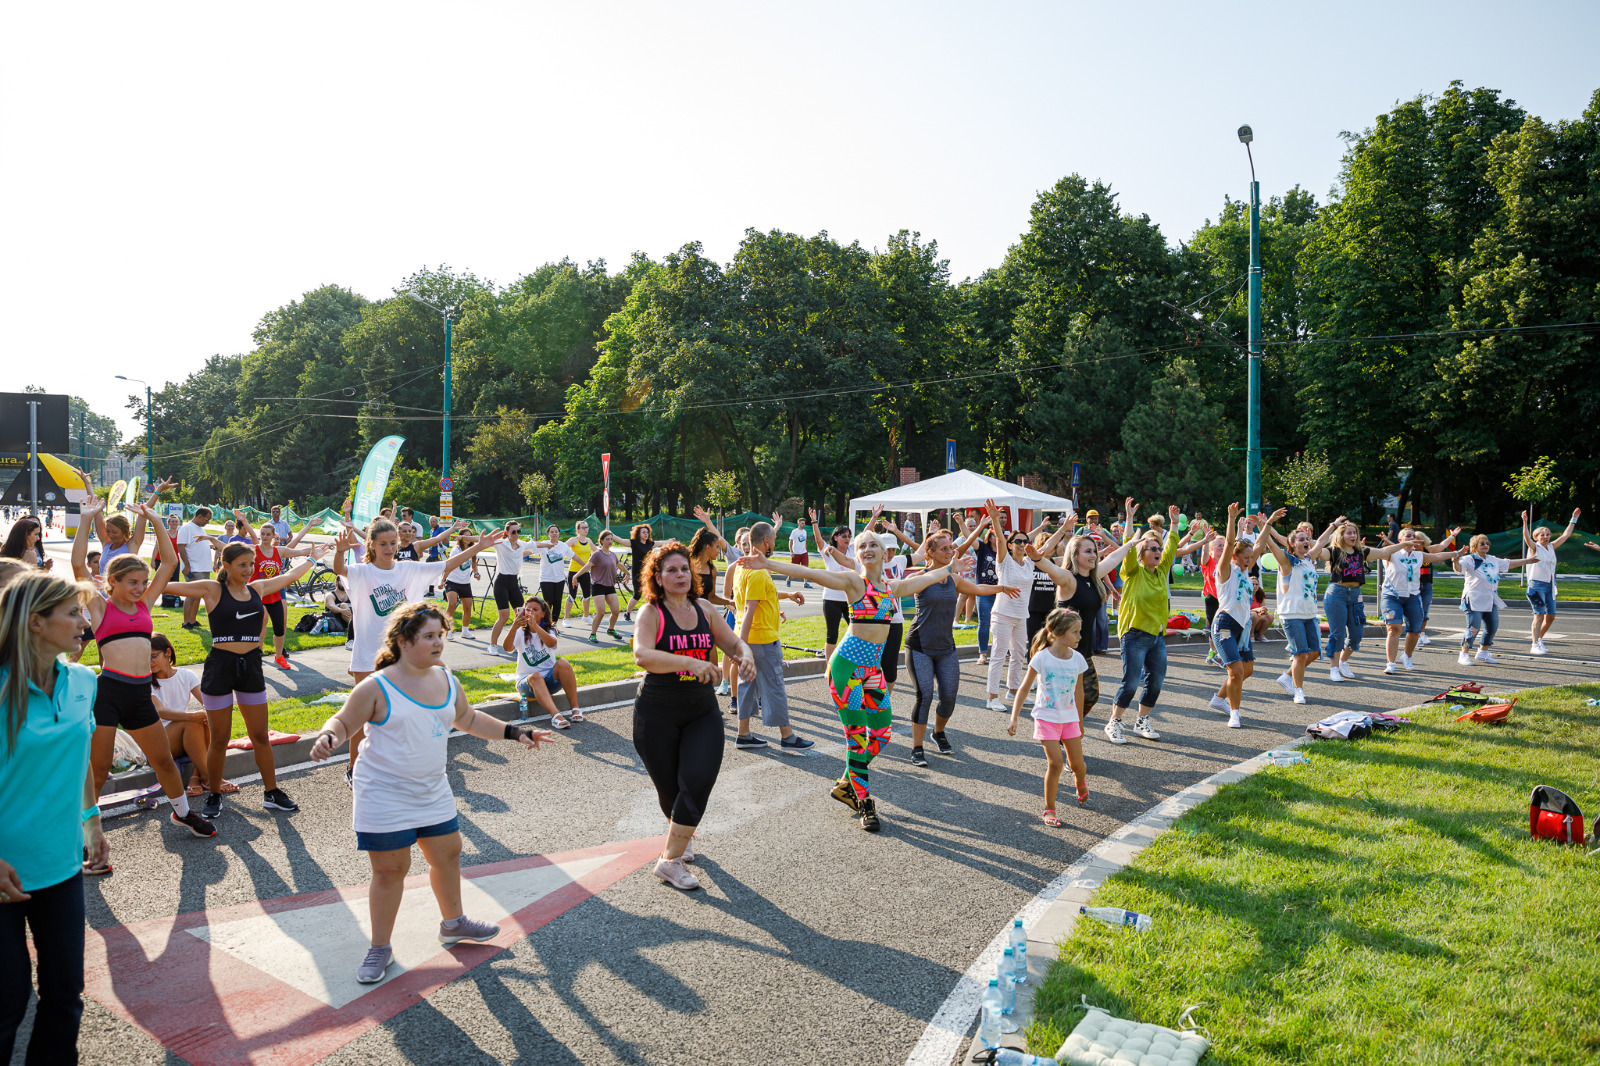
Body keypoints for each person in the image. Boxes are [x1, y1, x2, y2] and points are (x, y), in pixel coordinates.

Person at [308, 602, 558, 984]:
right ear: (403, 642)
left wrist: (514, 731)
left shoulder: (445, 679)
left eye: (441, 634)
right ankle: (380, 948)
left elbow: (469, 719)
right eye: (428, 636)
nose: (438, 642)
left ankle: (453, 923)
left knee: (448, 854)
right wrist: (329, 736)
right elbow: (344, 721)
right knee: (391, 871)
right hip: (383, 793)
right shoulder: (377, 685)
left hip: (432, 788)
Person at [736, 524, 956, 833]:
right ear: (856, 554)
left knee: (881, 736)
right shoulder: (854, 583)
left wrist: (948, 568)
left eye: (872, 545)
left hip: (872, 672)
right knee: (858, 738)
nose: (867, 550)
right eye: (861, 546)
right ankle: (865, 802)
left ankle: (845, 783)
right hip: (846, 670)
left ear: (883, 553)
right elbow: (813, 575)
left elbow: (926, 578)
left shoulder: (891, 588)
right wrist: (768, 564)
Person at [0, 569, 107, 1063]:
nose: (84, 621)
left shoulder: (84, 682)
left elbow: (80, 754)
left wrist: (93, 819)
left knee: (65, 997)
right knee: (6, 1003)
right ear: (36, 623)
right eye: (73, 612)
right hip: (4, 871)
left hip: (60, 866)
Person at [69, 499, 216, 841]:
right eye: (133, 582)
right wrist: (88, 518)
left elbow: (170, 561)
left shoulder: (145, 605)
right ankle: (84, 831)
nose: (140, 588)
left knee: (163, 761)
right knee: (99, 770)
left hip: (139, 694)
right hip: (108, 692)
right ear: (113, 582)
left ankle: (182, 814)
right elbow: (78, 565)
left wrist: (153, 520)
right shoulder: (100, 607)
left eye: (143, 582)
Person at [167, 536, 329, 821]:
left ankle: (272, 792)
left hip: (251, 667)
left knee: (260, 737)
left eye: (251, 564)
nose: (248, 569)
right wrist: (129, 580)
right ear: (226, 565)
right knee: (219, 739)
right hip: (220, 667)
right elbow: (167, 585)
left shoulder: (259, 588)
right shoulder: (211, 589)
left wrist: (314, 558)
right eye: (242, 565)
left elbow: (291, 575)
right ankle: (214, 793)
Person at [632, 541, 757, 887]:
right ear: (657, 577)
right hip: (657, 714)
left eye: (684, 568)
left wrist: (744, 655)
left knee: (698, 781)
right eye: (671, 570)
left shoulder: (704, 609)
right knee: (671, 792)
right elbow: (642, 655)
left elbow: (732, 642)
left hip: (701, 711)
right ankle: (680, 840)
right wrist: (690, 662)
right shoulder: (651, 613)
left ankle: (669, 860)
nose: (680, 575)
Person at [333, 519, 492, 780]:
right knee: (364, 719)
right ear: (371, 545)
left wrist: (479, 547)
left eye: (393, 543)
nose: (389, 548)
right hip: (367, 657)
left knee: (402, 716)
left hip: (401, 658)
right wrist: (339, 551)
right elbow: (340, 569)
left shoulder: (407, 569)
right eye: (383, 544)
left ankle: (396, 769)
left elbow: (446, 565)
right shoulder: (363, 573)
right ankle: (354, 769)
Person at [904, 517, 1019, 765]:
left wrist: (1001, 588)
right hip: (920, 646)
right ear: (930, 552)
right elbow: (908, 584)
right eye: (944, 549)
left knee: (949, 696)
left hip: (945, 647)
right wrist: (950, 566)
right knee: (925, 696)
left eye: (950, 548)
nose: (950, 552)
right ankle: (916, 747)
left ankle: (938, 732)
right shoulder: (923, 577)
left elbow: (977, 589)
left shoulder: (954, 580)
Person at [1051, 498, 1139, 724]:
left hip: (1083, 652)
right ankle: (1062, 734)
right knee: (1069, 699)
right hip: (1064, 653)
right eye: (1088, 551)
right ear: (1075, 555)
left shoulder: (1093, 576)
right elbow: (1049, 567)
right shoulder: (1068, 579)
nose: (1094, 554)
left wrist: (1130, 544)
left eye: (1095, 551)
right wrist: (1035, 556)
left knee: (1089, 697)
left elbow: (1113, 558)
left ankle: (1065, 730)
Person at [729, 522, 813, 752]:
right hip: (761, 641)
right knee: (775, 685)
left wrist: (786, 596)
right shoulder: (756, 571)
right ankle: (787, 736)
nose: (775, 543)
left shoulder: (743, 566)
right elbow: (749, 608)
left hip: (749, 639)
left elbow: (765, 595)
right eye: (773, 539)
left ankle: (743, 734)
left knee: (747, 686)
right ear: (766, 542)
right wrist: (743, 647)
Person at [1107, 504, 1182, 744]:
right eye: (1151, 548)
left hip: (1157, 637)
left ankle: (1142, 721)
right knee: (1130, 682)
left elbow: (1171, 546)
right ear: (1141, 554)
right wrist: (1129, 518)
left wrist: (1174, 523)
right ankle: (1114, 723)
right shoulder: (1132, 571)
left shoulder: (1160, 572)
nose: (1158, 551)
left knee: (1156, 682)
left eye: (1158, 548)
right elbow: (1128, 543)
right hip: (1134, 635)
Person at [1008, 607, 1090, 824]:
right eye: (1075, 632)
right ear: (1059, 633)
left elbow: (1079, 691)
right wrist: (1014, 717)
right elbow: (1024, 689)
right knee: (1055, 763)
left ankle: (1080, 780)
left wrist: (1080, 721)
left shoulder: (1078, 659)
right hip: (1046, 718)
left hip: (1070, 718)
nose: (1079, 636)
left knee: (1077, 765)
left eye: (1079, 631)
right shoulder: (1041, 658)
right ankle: (1049, 809)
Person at [1254, 510, 1337, 704]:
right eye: (1300, 539)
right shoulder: (1287, 562)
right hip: (1291, 614)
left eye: (1306, 539)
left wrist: (1333, 525)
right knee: (1300, 653)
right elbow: (1271, 544)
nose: (1305, 541)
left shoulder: (1310, 559)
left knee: (1315, 652)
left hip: (1309, 615)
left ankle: (1287, 676)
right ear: (1292, 544)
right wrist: (1266, 524)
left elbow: (1322, 541)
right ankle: (1298, 690)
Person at [235, 510, 318, 671]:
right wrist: (212, 539)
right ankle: (256, 654)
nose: (265, 536)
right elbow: (230, 548)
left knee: (280, 628)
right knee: (259, 624)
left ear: (273, 536)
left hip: (274, 595)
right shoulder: (253, 550)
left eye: (267, 534)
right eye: (263, 534)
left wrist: (317, 549)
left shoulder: (279, 551)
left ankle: (279, 656)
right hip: (258, 595)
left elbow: (300, 551)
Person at [149, 633, 230, 796]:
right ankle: (209, 778)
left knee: (206, 719)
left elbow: (208, 704)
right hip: (158, 740)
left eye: (153, 656)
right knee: (194, 721)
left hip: (185, 733)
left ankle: (195, 777)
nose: (149, 663)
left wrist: (207, 715)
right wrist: (192, 716)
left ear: (168, 653)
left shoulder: (186, 675)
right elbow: (161, 712)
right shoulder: (145, 681)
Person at [1376, 528, 1466, 674]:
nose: (1412, 538)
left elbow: (1438, 555)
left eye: (1413, 536)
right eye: (1408, 536)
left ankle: (1407, 656)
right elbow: (1375, 553)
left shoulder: (1419, 555)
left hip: (1413, 596)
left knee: (1415, 631)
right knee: (1394, 629)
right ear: (1400, 540)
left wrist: (1457, 553)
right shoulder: (1391, 553)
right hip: (1392, 596)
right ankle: (1390, 664)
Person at [984, 505, 1038, 712]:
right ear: (1010, 544)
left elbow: (1048, 547)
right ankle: (992, 697)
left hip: (1021, 615)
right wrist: (995, 520)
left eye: (1025, 541)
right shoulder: (1004, 561)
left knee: (1018, 654)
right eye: (1018, 541)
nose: (1022, 544)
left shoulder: (1029, 563)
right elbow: (998, 539)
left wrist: (1061, 529)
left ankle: (1013, 691)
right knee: (999, 654)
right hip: (1002, 615)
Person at [1454, 535, 1537, 666]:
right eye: (1482, 544)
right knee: (1473, 629)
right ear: (1474, 546)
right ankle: (1463, 653)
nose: (1485, 545)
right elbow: (1459, 568)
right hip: (1474, 600)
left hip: (1490, 599)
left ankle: (1483, 652)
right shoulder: (1469, 559)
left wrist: (1528, 561)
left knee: (1492, 627)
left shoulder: (1493, 559)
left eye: (1487, 543)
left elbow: (1509, 564)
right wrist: (1455, 560)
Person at [501, 598, 582, 729]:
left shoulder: (550, 629)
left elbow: (552, 643)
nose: (530, 612)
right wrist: (514, 626)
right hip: (527, 681)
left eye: (535, 610)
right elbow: (507, 648)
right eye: (528, 609)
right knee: (536, 676)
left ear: (543, 613)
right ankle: (556, 716)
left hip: (549, 681)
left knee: (563, 663)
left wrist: (535, 626)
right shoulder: (520, 631)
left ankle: (576, 709)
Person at [1521, 508, 1581, 655]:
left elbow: (1566, 535)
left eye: (1548, 534)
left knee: (1551, 616)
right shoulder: (1535, 547)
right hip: (1536, 585)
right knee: (1539, 615)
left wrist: (1573, 519)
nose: (1546, 536)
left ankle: (1539, 639)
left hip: (1550, 585)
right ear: (1537, 536)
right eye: (1543, 534)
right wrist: (1525, 522)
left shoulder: (1551, 547)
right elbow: (1527, 538)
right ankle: (1534, 644)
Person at [811, 509, 857, 661]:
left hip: (850, 600)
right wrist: (814, 522)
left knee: (857, 631)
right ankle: (829, 669)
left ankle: (853, 663)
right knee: (832, 634)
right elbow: (818, 540)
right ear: (836, 537)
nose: (848, 538)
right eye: (844, 536)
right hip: (831, 600)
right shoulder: (829, 551)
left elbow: (868, 531)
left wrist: (875, 517)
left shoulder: (851, 550)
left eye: (849, 536)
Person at [573, 529, 625, 644]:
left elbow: (618, 564)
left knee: (616, 611)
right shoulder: (597, 554)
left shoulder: (613, 555)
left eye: (611, 539)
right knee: (601, 612)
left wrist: (627, 573)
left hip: (610, 586)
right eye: (607, 539)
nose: (610, 541)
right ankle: (592, 634)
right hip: (598, 586)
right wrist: (575, 576)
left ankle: (611, 629)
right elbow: (587, 566)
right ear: (601, 541)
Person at [487, 522, 533, 651]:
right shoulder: (501, 544)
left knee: (522, 615)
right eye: (513, 532)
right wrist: (462, 537)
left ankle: (520, 644)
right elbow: (479, 540)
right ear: (506, 533)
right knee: (504, 616)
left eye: (519, 531)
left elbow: (537, 545)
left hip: (514, 583)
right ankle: (492, 645)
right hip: (501, 582)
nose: (516, 534)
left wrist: (552, 543)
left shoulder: (520, 545)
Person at [175, 508, 223, 630]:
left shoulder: (201, 528)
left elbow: (197, 544)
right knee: (190, 595)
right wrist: (187, 565)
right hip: (194, 567)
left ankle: (192, 620)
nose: (207, 522)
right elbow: (181, 547)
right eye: (207, 519)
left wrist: (209, 546)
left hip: (203, 567)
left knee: (199, 595)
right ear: (200, 516)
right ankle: (186, 622)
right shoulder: (186, 528)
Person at [440, 530, 481, 639]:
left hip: (465, 583)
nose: (468, 538)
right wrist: (442, 581)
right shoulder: (456, 550)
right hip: (452, 581)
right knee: (452, 604)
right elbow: (450, 566)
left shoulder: (472, 550)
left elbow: (473, 564)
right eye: (465, 536)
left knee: (467, 608)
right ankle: (448, 630)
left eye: (470, 536)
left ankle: (465, 631)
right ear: (460, 537)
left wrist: (476, 573)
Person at [534, 526, 575, 627]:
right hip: (546, 578)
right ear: (548, 534)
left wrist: (588, 566)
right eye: (552, 532)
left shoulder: (563, 546)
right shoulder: (544, 544)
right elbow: (530, 552)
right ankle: (546, 624)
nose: (554, 533)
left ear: (559, 533)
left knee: (557, 602)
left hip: (559, 579)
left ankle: (554, 624)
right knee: (548, 603)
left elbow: (575, 557)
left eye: (556, 531)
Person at [565, 520, 596, 627]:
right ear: (577, 530)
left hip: (585, 572)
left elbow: (597, 551)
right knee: (572, 595)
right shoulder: (573, 540)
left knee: (587, 594)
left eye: (586, 527)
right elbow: (563, 548)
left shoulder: (589, 541)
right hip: (574, 572)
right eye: (583, 528)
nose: (585, 529)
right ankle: (566, 618)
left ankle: (586, 616)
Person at [625, 523, 654, 623]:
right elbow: (623, 542)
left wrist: (670, 541)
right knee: (637, 594)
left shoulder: (650, 544)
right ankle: (627, 613)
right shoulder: (634, 543)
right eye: (643, 532)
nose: (646, 534)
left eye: (647, 532)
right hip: (637, 573)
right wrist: (612, 535)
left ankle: (651, 615)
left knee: (652, 594)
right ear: (638, 533)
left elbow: (660, 543)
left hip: (648, 573)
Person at [786, 516, 813, 589]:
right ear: (798, 524)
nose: (803, 524)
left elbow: (804, 541)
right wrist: (791, 551)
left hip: (804, 552)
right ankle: (788, 579)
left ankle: (805, 583)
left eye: (804, 523)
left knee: (805, 567)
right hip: (796, 553)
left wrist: (805, 547)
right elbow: (790, 541)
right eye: (802, 523)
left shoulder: (805, 532)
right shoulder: (794, 531)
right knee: (793, 568)